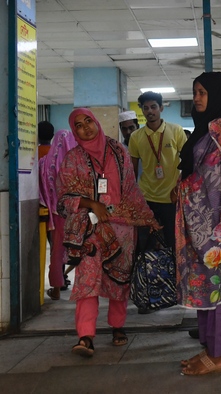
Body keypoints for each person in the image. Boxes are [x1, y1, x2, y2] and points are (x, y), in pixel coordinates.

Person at [57, 108, 160, 357]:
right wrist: (92, 204)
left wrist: (147, 216)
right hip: (90, 228)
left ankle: (117, 326)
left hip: (121, 227)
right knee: (87, 281)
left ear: (96, 122)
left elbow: (130, 188)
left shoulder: (117, 150)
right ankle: (85, 336)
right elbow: (63, 199)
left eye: (88, 122)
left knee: (119, 280)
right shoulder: (73, 159)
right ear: (74, 131)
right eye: (79, 125)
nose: (85, 128)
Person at [175, 72, 221, 376]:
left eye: (203, 92)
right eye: (195, 92)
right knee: (207, 286)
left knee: (219, 290)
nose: (198, 98)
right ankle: (207, 349)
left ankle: (219, 355)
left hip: (217, 224)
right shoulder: (207, 129)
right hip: (202, 222)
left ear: (216, 95)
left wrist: (187, 189)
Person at [128, 91, 187, 248]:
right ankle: (147, 272)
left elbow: (188, 161)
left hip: (171, 197)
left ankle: (173, 272)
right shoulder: (136, 136)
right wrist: (133, 197)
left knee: (172, 242)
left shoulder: (176, 131)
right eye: (145, 108)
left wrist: (180, 187)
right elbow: (132, 169)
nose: (150, 111)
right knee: (146, 243)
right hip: (146, 197)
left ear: (161, 108)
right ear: (142, 110)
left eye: (153, 107)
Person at [39, 129, 78, 300]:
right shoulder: (75, 164)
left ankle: (56, 287)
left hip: (55, 216)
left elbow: (39, 191)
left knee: (57, 251)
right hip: (76, 214)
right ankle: (85, 287)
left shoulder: (43, 163)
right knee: (83, 249)